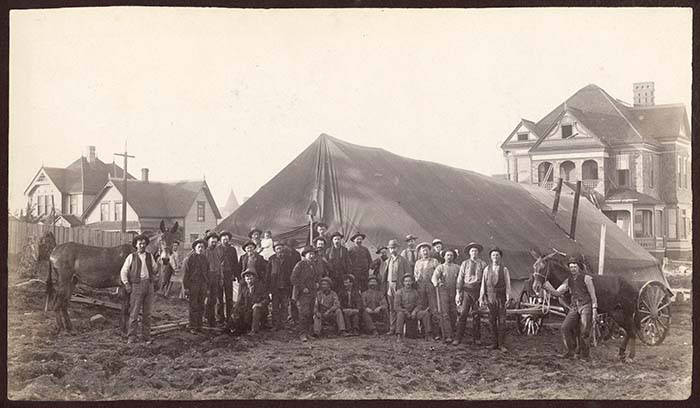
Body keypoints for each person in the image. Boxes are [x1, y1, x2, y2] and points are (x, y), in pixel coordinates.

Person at [542, 257, 598, 360]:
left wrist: (594, 309)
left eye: (574, 267)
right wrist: (547, 286)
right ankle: (570, 351)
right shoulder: (568, 281)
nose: (573, 269)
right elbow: (557, 293)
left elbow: (593, 296)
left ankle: (585, 356)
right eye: (571, 267)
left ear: (578, 267)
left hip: (586, 306)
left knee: (584, 331)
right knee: (565, 327)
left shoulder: (587, 278)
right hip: (574, 307)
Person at [120, 234, 161, 344]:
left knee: (147, 313)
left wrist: (159, 263)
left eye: (144, 243)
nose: (142, 245)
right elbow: (123, 272)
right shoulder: (131, 257)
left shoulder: (149, 256)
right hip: (137, 286)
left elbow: (155, 269)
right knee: (134, 312)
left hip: (149, 285)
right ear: (136, 245)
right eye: (140, 243)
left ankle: (146, 336)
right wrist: (127, 284)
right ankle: (131, 336)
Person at [453, 242, 487, 346]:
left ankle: (477, 338)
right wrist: (458, 293)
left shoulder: (482, 264)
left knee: (476, 315)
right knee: (463, 314)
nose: (474, 253)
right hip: (467, 290)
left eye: (476, 251)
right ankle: (458, 338)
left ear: (478, 253)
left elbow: (485, 280)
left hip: (477, 291)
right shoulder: (465, 263)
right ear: (469, 253)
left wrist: (483, 295)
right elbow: (460, 278)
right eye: (472, 251)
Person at [479, 247, 512, 352]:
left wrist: (508, 298)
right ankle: (494, 343)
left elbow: (508, 285)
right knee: (491, 321)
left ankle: (501, 344)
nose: (495, 257)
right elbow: (483, 285)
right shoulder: (486, 269)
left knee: (502, 321)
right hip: (490, 299)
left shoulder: (504, 269)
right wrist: (482, 297)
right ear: (490, 257)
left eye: (497, 255)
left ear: (500, 257)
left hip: (501, 299)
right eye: (493, 255)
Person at [291, 246, 323, 342]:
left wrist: (318, 282)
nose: (312, 256)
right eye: (310, 254)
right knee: (303, 313)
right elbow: (293, 278)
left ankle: (308, 333)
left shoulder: (314, 265)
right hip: (302, 294)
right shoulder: (300, 264)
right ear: (305, 255)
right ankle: (302, 334)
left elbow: (318, 276)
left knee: (310, 313)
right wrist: (302, 287)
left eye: (313, 254)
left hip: (312, 292)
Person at [414, 241, 441, 340]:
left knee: (434, 309)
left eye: (426, 250)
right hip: (421, 288)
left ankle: (436, 332)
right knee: (422, 309)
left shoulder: (434, 261)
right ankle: (424, 331)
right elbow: (416, 276)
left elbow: (438, 274)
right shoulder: (417, 263)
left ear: (429, 251)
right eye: (423, 250)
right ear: (420, 252)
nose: (425, 252)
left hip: (431, 287)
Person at [432, 249, 460, 343]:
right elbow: (434, 278)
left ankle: (452, 331)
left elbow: (461, 279)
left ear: (454, 257)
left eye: (451, 255)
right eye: (447, 255)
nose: (449, 257)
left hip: (454, 292)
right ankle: (448, 335)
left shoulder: (457, 267)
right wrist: (437, 283)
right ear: (444, 256)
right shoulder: (440, 267)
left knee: (454, 313)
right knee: (445, 313)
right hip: (443, 292)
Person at [182, 239, 209, 334]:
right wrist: (186, 288)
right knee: (193, 306)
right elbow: (185, 275)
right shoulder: (189, 259)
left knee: (201, 305)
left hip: (203, 285)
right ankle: (192, 326)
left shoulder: (205, 259)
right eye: (199, 247)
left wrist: (207, 287)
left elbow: (207, 273)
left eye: (203, 247)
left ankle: (199, 325)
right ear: (195, 248)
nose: (201, 249)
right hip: (193, 285)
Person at [231, 269, 270, 335]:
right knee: (237, 309)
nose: (249, 278)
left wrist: (259, 304)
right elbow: (239, 301)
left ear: (254, 278)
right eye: (247, 276)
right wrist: (235, 310)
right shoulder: (243, 288)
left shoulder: (260, 286)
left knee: (256, 309)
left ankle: (254, 330)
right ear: (245, 279)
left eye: (251, 276)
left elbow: (267, 299)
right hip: (248, 311)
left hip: (260, 311)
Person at [395, 273, 431, 341]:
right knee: (400, 314)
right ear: (403, 282)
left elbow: (419, 304)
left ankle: (428, 334)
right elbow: (396, 307)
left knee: (425, 314)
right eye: (406, 281)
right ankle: (399, 335)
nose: (408, 283)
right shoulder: (399, 292)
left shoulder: (415, 292)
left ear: (412, 282)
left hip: (414, 313)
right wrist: (405, 311)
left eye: (409, 281)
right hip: (404, 313)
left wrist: (414, 311)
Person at [267, 241, 293, 330]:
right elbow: (268, 274)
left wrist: (290, 286)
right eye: (277, 248)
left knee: (285, 306)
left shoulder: (289, 259)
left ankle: (284, 324)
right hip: (275, 287)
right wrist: (269, 288)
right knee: (275, 307)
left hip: (285, 287)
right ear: (275, 250)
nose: (279, 250)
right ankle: (275, 325)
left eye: (281, 248)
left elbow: (291, 273)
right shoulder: (271, 259)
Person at [218, 231, 241, 327]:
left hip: (229, 275)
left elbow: (235, 263)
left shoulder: (232, 250)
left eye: (227, 239)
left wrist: (235, 275)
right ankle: (220, 317)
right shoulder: (217, 249)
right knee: (219, 297)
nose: (225, 241)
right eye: (223, 239)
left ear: (229, 240)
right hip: (219, 275)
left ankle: (229, 317)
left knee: (229, 297)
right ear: (220, 240)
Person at [203, 232, 223, 328]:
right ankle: (206, 317)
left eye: (215, 242)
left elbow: (220, 266)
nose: (214, 243)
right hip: (207, 277)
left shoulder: (217, 251)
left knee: (214, 298)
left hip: (216, 276)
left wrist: (221, 277)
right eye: (212, 241)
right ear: (208, 241)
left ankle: (212, 318)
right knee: (207, 298)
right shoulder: (204, 251)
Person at [284, 238, 302, 323]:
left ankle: (294, 317)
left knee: (294, 298)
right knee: (286, 299)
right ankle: (288, 316)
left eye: (293, 246)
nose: (291, 248)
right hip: (285, 279)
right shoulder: (284, 254)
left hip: (294, 278)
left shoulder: (297, 254)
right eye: (290, 246)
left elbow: (299, 266)